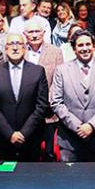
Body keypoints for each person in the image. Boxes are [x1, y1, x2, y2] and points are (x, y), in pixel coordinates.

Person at [51, 30, 95, 162]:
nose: (85, 48)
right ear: (74, 48)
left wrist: (91, 126)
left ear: (93, 46)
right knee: (70, 176)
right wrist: (78, 127)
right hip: (69, 141)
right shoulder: (61, 70)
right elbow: (56, 102)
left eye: (88, 44)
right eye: (80, 45)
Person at [0, 33, 49, 161]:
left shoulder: (38, 71)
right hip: (3, 139)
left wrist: (24, 133)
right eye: (11, 44)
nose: (15, 48)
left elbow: (41, 106)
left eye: (19, 44)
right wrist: (9, 133)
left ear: (25, 48)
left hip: (31, 139)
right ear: (6, 49)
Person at [23, 18, 64, 161]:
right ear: (25, 34)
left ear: (44, 33)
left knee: (49, 153)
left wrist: (45, 101)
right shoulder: (19, 51)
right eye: (31, 32)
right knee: (28, 152)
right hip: (25, 112)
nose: (34, 35)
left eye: (37, 31)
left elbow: (59, 80)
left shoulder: (56, 52)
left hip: (48, 110)